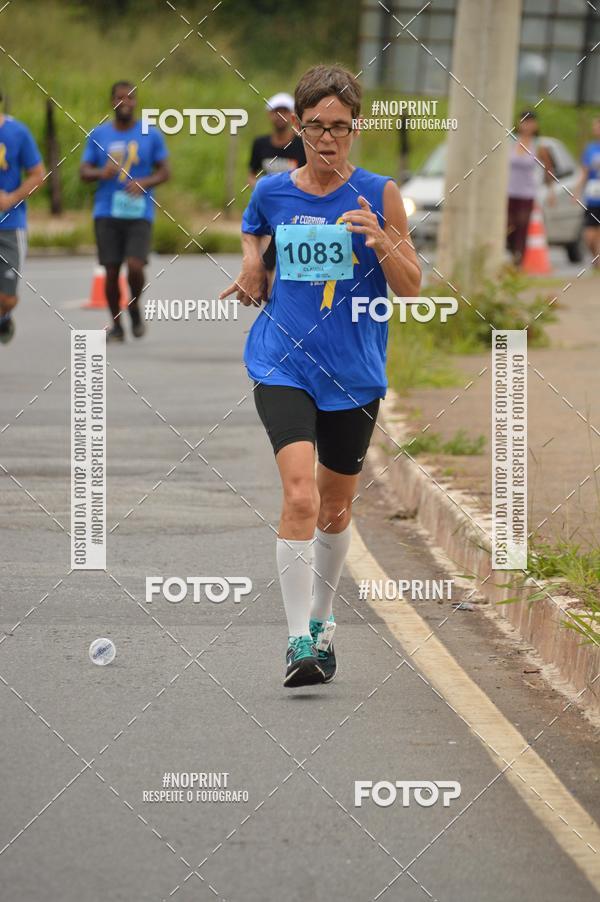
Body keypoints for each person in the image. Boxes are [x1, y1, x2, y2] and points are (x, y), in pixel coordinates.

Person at [221, 65, 421, 688]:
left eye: (339, 127)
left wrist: (381, 239)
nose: (328, 139)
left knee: (336, 508)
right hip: (281, 359)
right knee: (301, 494)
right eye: (316, 127)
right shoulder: (273, 191)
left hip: (354, 371)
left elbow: (413, 288)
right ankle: (296, 642)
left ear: (355, 129)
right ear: (297, 127)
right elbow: (254, 231)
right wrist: (254, 267)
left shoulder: (380, 193)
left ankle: (324, 619)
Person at [80, 81, 170, 342]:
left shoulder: (150, 134)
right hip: (107, 210)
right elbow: (84, 172)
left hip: (138, 212)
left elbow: (165, 171)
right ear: (112, 102)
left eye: (130, 98)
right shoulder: (99, 134)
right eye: (120, 98)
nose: (125, 103)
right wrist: (101, 172)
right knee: (110, 270)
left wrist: (145, 182)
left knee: (135, 265)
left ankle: (133, 305)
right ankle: (116, 325)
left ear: (136, 102)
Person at [0, 94, 45, 345]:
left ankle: (4, 318)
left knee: (6, 298)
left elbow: (37, 174)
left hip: (9, 224)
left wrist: (12, 197)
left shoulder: (17, 133)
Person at [249, 92, 307, 276]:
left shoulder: (302, 145)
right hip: (268, 207)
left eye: (284, 111)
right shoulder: (260, 144)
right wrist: (260, 192)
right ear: (269, 115)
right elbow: (251, 173)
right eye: (276, 111)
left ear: (292, 116)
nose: (280, 116)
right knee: (266, 259)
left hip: (295, 207)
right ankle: (267, 293)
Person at [506, 110, 555, 267]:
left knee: (522, 225)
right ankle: (511, 252)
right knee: (509, 226)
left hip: (527, 193)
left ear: (535, 125)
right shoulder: (510, 142)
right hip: (509, 192)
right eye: (523, 122)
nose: (526, 126)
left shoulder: (539, 146)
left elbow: (548, 170)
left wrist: (551, 191)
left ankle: (518, 260)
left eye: (530, 122)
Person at [575, 117, 600, 267]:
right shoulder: (590, 149)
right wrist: (577, 191)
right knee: (589, 236)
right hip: (593, 198)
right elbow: (584, 172)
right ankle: (596, 259)